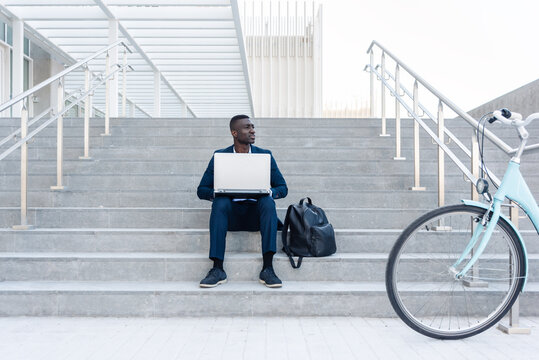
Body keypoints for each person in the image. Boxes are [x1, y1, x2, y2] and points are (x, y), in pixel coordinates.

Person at [197, 114, 288, 288]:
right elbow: (202, 190)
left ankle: (268, 268)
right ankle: (217, 269)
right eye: (247, 127)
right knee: (220, 201)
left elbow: (282, 188)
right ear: (234, 133)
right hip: (230, 217)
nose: (253, 130)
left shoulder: (265, 155)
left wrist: (269, 191)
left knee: (268, 201)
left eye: (252, 126)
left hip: (257, 216)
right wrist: (219, 192)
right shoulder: (220, 156)